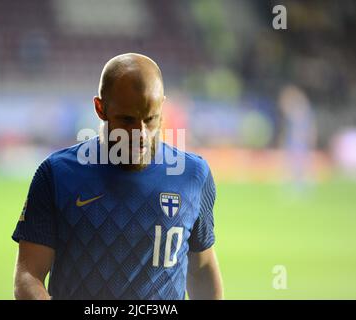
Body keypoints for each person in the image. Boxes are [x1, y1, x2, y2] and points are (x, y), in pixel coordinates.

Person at [12, 53, 223, 299]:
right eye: (127, 120)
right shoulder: (56, 175)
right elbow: (28, 275)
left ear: (161, 107)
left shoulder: (194, 175)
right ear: (101, 108)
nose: (140, 133)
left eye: (150, 119)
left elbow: (201, 267)